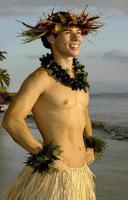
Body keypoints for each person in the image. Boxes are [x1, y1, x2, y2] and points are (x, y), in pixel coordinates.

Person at [2, 7, 103, 200]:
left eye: (79, 33)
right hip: (55, 177)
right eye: (68, 33)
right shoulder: (41, 78)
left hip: (81, 175)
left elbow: (83, 114)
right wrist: (43, 154)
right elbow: (12, 121)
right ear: (50, 38)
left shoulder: (80, 80)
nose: (76, 38)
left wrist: (90, 144)